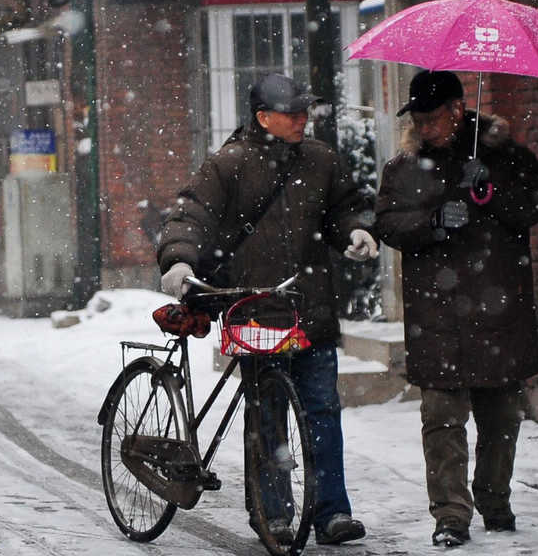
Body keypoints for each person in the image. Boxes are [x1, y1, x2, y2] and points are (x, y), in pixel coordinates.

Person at [157, 73, 376, 546]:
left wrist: (356, 230)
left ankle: (332, 513)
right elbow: (190, 214)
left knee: (322, 411)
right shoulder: (229, 165)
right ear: (263, 118)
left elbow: (343, 209)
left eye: (305, 111)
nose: (303, 119)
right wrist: (178, 258)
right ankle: (272, 512)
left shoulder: (321, 161)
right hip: (256, 309)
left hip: (310, 306)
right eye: (292, 113)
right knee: (269, 416)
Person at [374, 70, 538, 548]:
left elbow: (537, 204)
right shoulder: (405, 166)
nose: (424, 127)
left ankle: (495, 500)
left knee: (501, 418)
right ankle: (451, 515)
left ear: (457, 111)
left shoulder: (503, 154)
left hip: (498, 305)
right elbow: (387, 222)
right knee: (441, 419)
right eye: (418, 119)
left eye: (432, 118)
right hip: (439, 314)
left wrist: (490, 191)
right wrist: (432, 221)